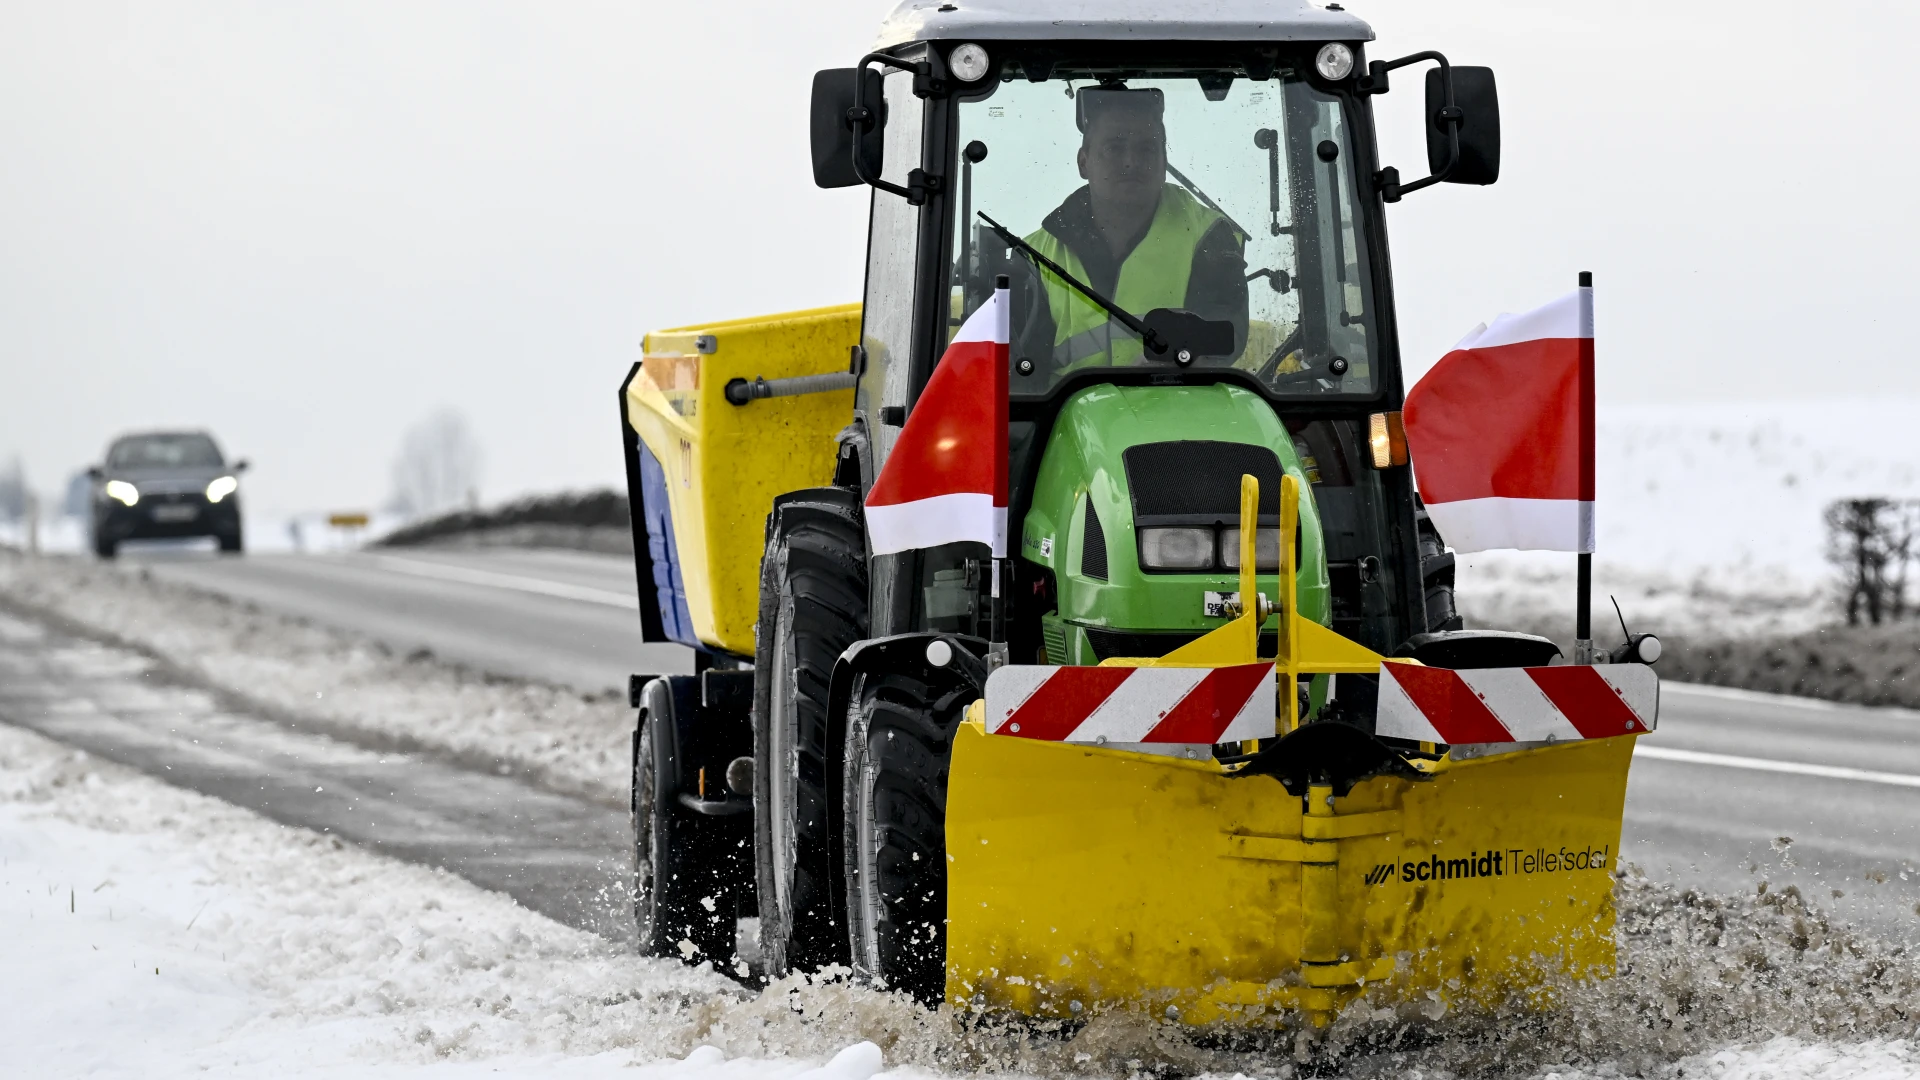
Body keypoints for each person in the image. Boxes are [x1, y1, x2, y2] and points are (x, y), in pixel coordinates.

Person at [1012, 86, 1249, 373]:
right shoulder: (1034, 257)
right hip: (1067, 413)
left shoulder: (1207, 235)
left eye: (1147, 149)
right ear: (1083, 162)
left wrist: (1183, 355)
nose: (1131, 162)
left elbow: (1227, 334)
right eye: (1115, 147)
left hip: (1179, 410)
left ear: (1164, 163)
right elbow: (1018, 376)